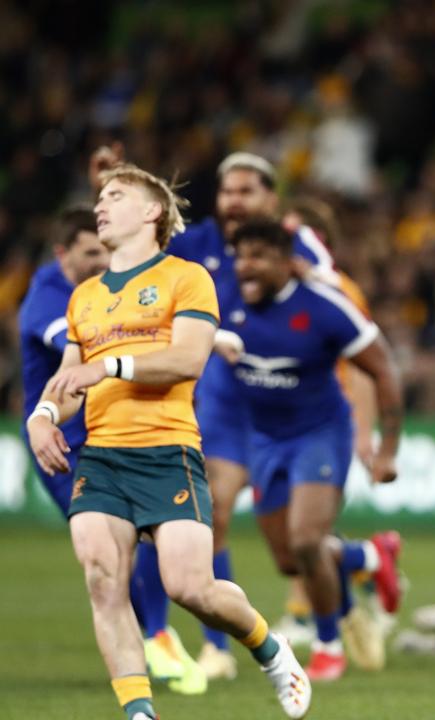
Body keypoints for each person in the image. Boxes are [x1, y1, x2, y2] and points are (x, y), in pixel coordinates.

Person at [25, 164, 310, 719]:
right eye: (100, 196)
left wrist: (107, 365)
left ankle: (270, 650)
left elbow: (187, 358)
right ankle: (140, 713)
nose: (101, 205)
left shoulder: (186, 277)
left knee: (191, 587)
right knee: (105, 581)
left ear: (152, 212)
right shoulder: (83, 296)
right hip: (101, 456)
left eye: (115, 195)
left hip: (167, 451)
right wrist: (42, 414)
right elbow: (68, 381)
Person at [88, 146, 338, 679]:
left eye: (247, 191)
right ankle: (215, 648)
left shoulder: (297, 243)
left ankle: (357, 567)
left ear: (271, 198)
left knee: (296, 549)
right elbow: (140, 235)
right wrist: (112, 187)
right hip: (223, 405)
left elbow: (329, 296)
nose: (234, 201)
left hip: (285, 409)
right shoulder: (197, 245)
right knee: (212, 516)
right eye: (227, 191)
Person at [18, 207, 210, 692]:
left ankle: (167, 636)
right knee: (105, 562)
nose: (96, 260)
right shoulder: (49, 298)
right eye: (87, 253)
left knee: (171, 564)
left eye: (101, 251)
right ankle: (152, 647)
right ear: (63, 254)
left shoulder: (119, 287)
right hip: (66, 442)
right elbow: (80, 357)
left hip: (130, 438)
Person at [224, 218, 404, 680]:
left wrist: (386, 449)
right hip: (263, 439)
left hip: (319, 434)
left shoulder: (324, 307)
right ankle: (367, 556)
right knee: (291, 559)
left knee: (305, 540)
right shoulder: (222, 300)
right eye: (240, 256)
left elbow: (383, 370)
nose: (246, 267)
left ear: (287, 263)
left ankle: (328, 646)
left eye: (259, 257)